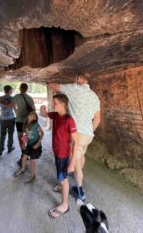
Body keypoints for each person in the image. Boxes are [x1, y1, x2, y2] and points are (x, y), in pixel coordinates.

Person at [48, 73, 101, 201]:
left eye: (76, 78)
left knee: (75, 164)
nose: (75, 80)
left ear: (79, 79)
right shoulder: (95, 96)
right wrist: (89, 131)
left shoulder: (74, 88)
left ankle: (80, 192)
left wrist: (49, 80)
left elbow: (55, 87)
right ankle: (74, 179)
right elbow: (97, 119)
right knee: (81, 156)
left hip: (78, 134)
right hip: (88, 135)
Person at [40, 93, 78, 219]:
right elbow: (45, 115)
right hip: (57, 152)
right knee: (61, 175)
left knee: (63, 178)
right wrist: (44, 110)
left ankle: (64, 205)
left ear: (63, 105)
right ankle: (62, 185)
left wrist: (72, 163)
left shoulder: (69, 120)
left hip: (64, 155)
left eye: (55, 103)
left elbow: (76, 142)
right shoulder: (56, 115)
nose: (52, 105)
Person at [14, 111, 44, 183]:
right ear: (28, 116)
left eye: (34, 115)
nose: (31, 115)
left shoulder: (36, 124)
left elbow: (42, 133)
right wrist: (24, 143)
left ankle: (32, 175)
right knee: (24, 157)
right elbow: (24, 134)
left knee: (31, 160)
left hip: (36, 144)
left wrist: (37, 144)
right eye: (30, 114)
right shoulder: (25, 125)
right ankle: (23, 169)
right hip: (29, 144)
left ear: (35, 118)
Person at [12, 83, 36, 165]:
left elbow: (11, 104)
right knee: (25, 136)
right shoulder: (30, 98)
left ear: (20, 88)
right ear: (27, 89)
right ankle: (26, 151)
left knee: (20, 136)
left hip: (19, 121)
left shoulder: (17, 96)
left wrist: (16, 112)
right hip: (27, 122)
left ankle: (23, 154)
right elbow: (34, 110)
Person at [0, 85, 16, 157]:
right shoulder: (13, 99)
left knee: (2, 135)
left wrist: (0, 110)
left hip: (2, 119)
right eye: (11, 90)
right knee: (10, 134)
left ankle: (0, 151)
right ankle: (10, 148)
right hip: (11, 119)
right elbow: (15, 109)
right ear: (10, 90)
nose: (12, 91)